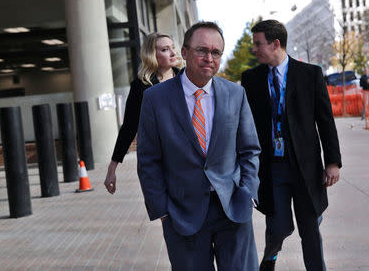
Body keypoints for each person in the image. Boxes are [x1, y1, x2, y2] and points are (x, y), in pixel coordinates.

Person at [137, 21, 261, 270]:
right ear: (184, 53)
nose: (209, 58)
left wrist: (248, 191)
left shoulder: (235, 94)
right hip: (182, 215)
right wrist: (162, 210)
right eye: (201, 50)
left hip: (232, 209)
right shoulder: (155, 98)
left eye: (215, 52)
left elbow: (250, 150)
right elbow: (148, 159)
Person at [241, 20, 342, 271]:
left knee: (310, 231)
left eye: (258, 44)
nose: (254, 49)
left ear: (275, 44)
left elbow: (325, 119)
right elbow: (243, 125)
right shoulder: (251, 79)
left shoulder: (310, 74)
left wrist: (332, 162)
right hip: (272, 167)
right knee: (278, 227)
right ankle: (270, 258)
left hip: (305, 168)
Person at [104, 33, 181, 194]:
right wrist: (112, 168)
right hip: (157, 161)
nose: (173, 53)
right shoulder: (141, 86)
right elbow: (129, 126)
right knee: (167, 214)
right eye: (165, 49)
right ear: (152, 55)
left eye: (173, 47)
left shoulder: (186, 80)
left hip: (187, 158)